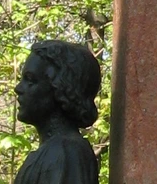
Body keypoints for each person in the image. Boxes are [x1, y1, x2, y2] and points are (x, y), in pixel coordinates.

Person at [13, 40, 102, 184]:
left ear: (60, 89)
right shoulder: (55, 150)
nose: (18, 88)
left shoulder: (65, 152)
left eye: (30, 80)